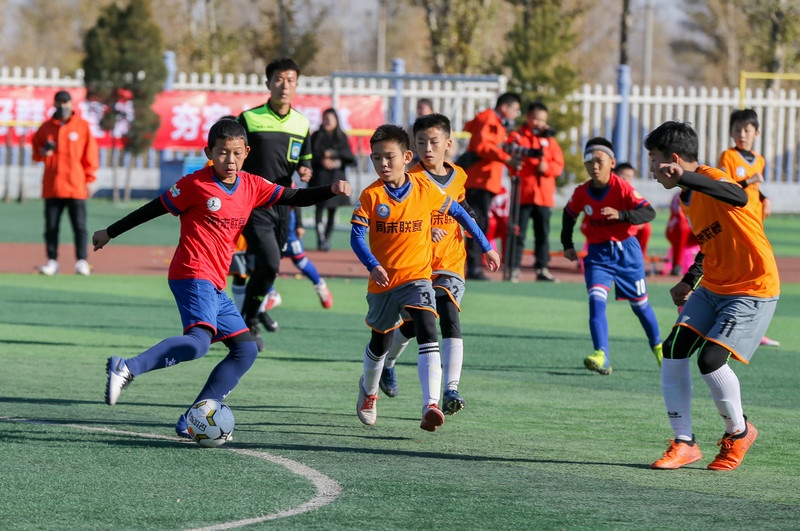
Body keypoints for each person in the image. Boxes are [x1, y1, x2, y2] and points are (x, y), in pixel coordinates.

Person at [95, 118, 350, 436]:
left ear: (246, 153)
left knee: (245, 351)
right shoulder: (195, 184)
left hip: (215, 283)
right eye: (222, 152)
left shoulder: (252, 185)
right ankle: (128, 367)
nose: (230, 159)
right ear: (209, 153)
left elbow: (293, 196)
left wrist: (330, 189)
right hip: (191, 272)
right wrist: (110, 232)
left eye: (236, 153)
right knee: (199, 343)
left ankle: (191, 419)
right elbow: (153, 208)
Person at [645, 121, 779, 471]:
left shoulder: (711, 177)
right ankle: (684, 442)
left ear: (674, 160)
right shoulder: (686, 198)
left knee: (710, 360)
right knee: (674, 348)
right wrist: (689, 280)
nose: (651, 169)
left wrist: (687, 177)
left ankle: (739, 432)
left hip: (752, 287)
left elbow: (738, 195)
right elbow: (710, 244)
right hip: (714, 286)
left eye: (654, 159)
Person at [351, 124, 499, 431]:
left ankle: (430, 404)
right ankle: (369, 391)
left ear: (406, 157)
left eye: (389, 157)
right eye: (377, 158)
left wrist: (486, 246)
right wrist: (372, 264)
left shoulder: (425, 188)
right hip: (383, 282)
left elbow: (459, 212)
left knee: (428, 325)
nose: (383, 164)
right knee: (380, 341)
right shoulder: (370, 195)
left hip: (417, 277)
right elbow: (356, 237)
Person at [378, 113, 477, 415]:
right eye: (421, 142)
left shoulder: (459, 175)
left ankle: (451, 389)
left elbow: (460, 204)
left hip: (451, 262)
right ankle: (388, 363)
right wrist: (424, 229)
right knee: (413, 326)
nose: (428, 148)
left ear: (449, 143)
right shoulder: (412, 179)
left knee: (448, 312)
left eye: (433, 142)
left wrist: (476, 229)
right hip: (417, 265)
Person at [561, 137, 662, 375]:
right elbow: (569, 214)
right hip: (598, 255)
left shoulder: (622, 187)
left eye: (599, 160)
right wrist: (568, 244)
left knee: (640, 306)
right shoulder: (582, 192)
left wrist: (622, 215)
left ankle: (659, 348)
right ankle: (602, 354)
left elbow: (648, 212)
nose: (594, 166)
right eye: (589, 161)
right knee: (596, 301)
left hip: (627, 254)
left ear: (612, 163)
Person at [238, 57, 312, 348]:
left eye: (290, 80)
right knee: (268, 263)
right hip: (254, 204)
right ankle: (249, 321)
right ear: (268, 83)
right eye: (278, 79)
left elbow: (305, 161)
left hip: (283, 206)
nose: (284, 85)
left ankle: (250, 314)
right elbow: (234, 157)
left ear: (297, 84)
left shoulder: (302, 124)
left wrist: (305, 170)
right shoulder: (249, 119)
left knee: (269, 267)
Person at [717, 108, 780, 347]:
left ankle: (755, 326)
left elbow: (755, 189)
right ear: (731, 132)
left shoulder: (759, 159)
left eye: (746, 130)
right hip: (737, 224)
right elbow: (726, 188)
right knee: (742, 274)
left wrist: (765, 198)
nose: (741, 134)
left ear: (757, 133)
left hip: (756, 225)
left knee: (759, 276)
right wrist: (748, 180)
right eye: (737, 130)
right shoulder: (728, 157)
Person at [32, 90, 99, 276]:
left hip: (76, 185)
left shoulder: (82, 127)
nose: (63, 106)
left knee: (79, 226)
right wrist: (43, 152)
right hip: (52, 186)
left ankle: (81, 261)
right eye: (59, 102)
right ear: (54, 104)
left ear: (72, 104)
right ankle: (52, 261)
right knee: (51, 227)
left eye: (66, 102)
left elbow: (90, 155)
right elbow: (36, 152)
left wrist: (89, 180)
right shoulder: (46, 127)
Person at [461, 92, 522, 280]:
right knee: (476, 222)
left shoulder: (496, 122)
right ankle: (473, 267)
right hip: (479, 180)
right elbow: (482, 146)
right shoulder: (488, 119)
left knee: (480, 222)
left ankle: (474, 265)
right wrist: (507, 158)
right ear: (504, 107)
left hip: (485, 180)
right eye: (515, 110)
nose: (516, 114)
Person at [505, 101, 565, 282]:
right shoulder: (518, 137)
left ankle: (542, 268)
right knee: (518, 233)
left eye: (543, 120)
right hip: (523, 194)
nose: (539, 123)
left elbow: (559, 166)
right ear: (528, 117)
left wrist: (546, 168)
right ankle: (514, 267)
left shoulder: (550, 141)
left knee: (542, 234)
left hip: (543, 196)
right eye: (536, 119)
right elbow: (510, 158)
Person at [309, 108, 356, 251]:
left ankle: (327, 239)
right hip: (319, 178)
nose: (327, 122)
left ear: (336, 120)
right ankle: (320, 239)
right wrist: (322, 160)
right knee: (319, 208)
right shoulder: (317, 135)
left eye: (330, 119)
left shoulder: (341, 136)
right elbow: (310, 154)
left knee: (332, 210)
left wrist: (335, 157)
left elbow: (350, 157)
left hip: (336, 178)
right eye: (325, 118)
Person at [615, 162, 652, 261]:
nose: (627, 179)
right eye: (624, 176)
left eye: (630, 177)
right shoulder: (608, 192)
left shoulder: (633, 194)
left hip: (627, 227)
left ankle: (639, 258)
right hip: (609, 228)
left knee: (646, 227)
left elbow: (644, 212)